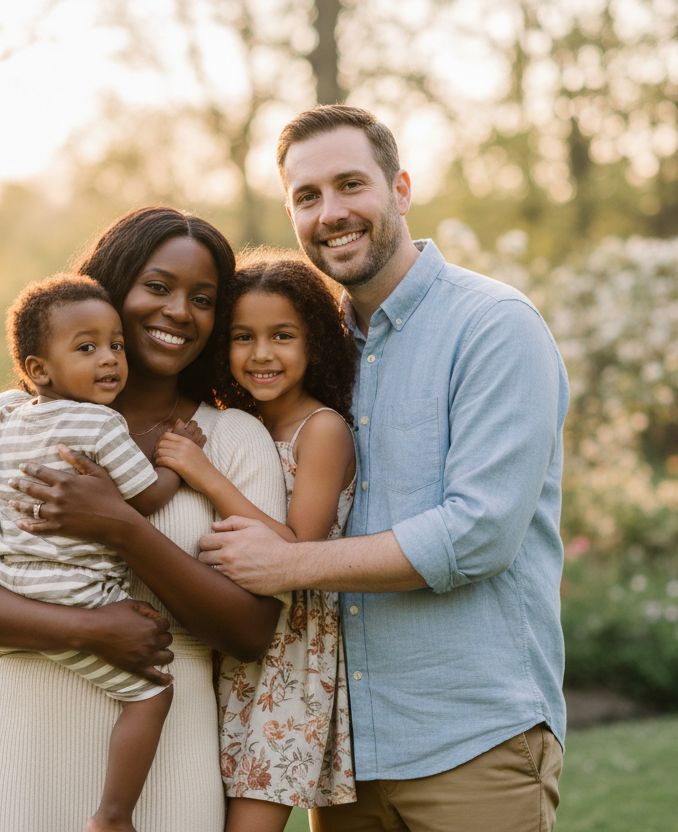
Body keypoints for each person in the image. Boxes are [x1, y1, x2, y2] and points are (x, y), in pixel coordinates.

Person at [198, 105, 571, 831]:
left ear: (399, 189)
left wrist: (289, 565)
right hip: (343, 757)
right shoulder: (311, 350)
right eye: (307, 196)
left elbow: (479, 534)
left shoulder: (493, 326)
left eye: (350, 185)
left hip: (472, 742)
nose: (331, 213)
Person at [0, 206, 288, 831]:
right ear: (111, 289)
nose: (178, 312)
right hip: (17, 747)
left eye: (203, 299)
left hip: (164, 758)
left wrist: (122, 527)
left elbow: (250, 630)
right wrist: (87, 630)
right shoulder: (11, 419)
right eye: (157, 287)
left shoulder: (229, 439)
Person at [0, 273, 212, 831]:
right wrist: (178, 460)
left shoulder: (5, 421)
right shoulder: (103, 425)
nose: (109, 360)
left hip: (7, 584)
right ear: (38, 369)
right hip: (80, 597)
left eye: (115, 346)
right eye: (87, 349)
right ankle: (112, 815)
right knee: (152, 695)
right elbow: (148, 496)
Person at [154, 249, 359, 831]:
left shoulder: (322, 429)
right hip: (229, 641)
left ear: (314, 342)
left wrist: (204, 474)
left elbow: (297, 548)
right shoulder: (242, 425)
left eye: (282, 336)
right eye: (243, 337)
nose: (261, 354)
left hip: (291, 657)